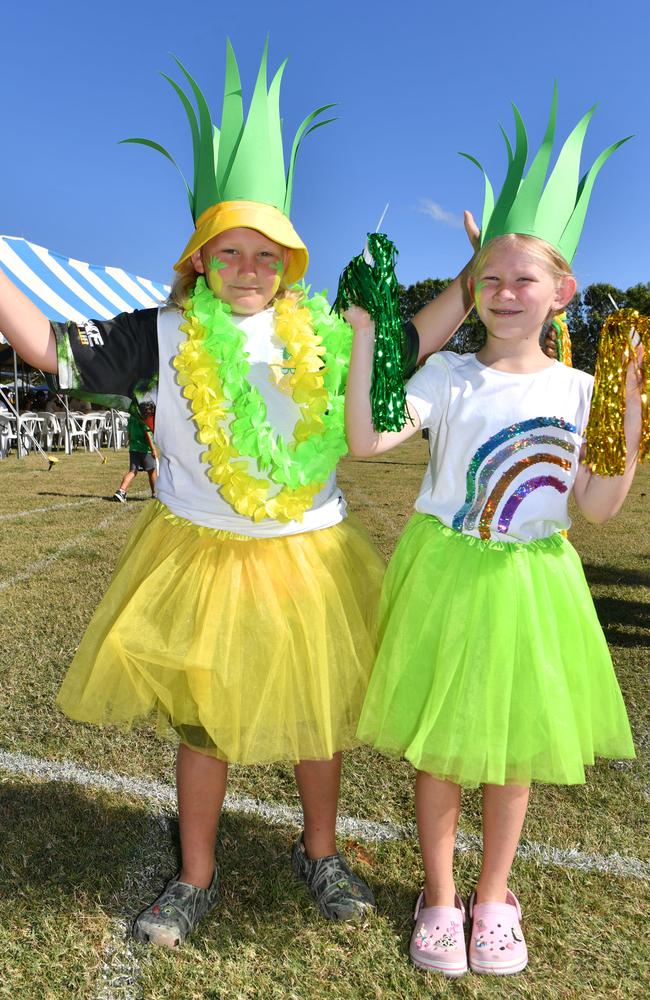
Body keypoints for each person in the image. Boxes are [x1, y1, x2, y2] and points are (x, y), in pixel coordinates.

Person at [0, 41, 472, 949]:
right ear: (201, 259)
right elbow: (51, 352)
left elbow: (409, 345)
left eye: (267, 253)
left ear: (290, 262)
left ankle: (322, 853)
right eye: (231, 252)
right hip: (201, 555)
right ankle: (195, 874)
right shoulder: (164, 333)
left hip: (311, 554)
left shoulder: (328, 332)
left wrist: (471, 275)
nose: (249, 267)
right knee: (205, 726)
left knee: (317, 714)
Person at [344, 94, 638, 978]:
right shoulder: (449, 375)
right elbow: (367, 439)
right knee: (440, 745)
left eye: (525, 280)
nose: (506, 295)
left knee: (511, 753)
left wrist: (628, 415)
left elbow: (597, 509)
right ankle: (440, 894)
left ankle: (494, 894)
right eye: (492, 280)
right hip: (447, 576)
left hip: (533, 586)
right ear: (473, 286)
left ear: (564, 291)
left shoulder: (584, 391)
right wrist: (368, 339)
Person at [114, 402, 158, 502]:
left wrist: (130, 442)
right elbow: (147, 433)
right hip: (145, 449)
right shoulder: (143, 420)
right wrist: (153, 449)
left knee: (133, 471)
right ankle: (155, 493)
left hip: (133, 448)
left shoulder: (132, 418)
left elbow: (129, 432)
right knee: (152, 471)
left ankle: (121, 491)